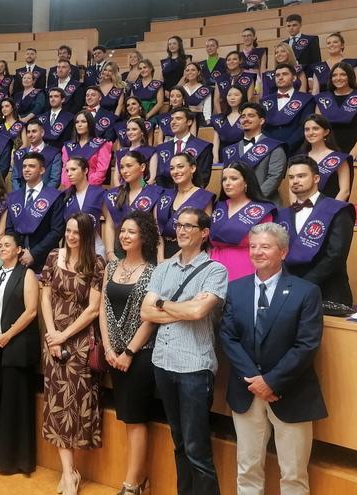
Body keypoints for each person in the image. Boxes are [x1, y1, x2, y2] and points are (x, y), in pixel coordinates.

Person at [220, 222, 327, 495]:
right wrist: (255, 381)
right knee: (247, 469)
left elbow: (306, 345)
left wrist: (271, 381)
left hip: (290, 392)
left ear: (283, 252)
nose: (257, 252)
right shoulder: (236, 289)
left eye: (265, 247)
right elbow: (228, 338)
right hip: (247, 392)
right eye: (253, 246)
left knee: (293, 474)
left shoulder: (306, 291)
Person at [141, 207, 228, 495]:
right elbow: (145, 312)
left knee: (196, 448)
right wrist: (182, 308)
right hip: (163, 362)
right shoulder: (163, 267)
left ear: (204, 233)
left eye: (189, 226)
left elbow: (198, 312)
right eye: (178, 225)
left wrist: (163, 305)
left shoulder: (215, 270)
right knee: (179, 442)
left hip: (194, 367)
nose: (180, 231)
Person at [40, 213, 105, 495]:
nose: (71, 236)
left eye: (77, 232)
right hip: (52, 339)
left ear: (88, 234)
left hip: (79, 343)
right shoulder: (54, 256)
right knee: (56, 406)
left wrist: (63, 337)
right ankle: (68, 474)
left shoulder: (97, 264)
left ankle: (73, 470)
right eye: (68, 230)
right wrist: (52, 336)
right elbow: (45, 296)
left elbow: (92, 309)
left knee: (75, 407)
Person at [99, 211, 160, 495]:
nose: (124, 236)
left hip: (139, 356)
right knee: (126, 417)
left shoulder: (153, 271)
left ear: (143, 237)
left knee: (136, 420)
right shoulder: (111, 268)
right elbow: (102, 308)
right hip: (113, 354)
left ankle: (132, 485)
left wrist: (128, 352)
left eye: (131, 232)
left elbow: (150, 318)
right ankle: (140, 480)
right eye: (122, 231)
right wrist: (110, 348)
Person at [0, 233, 39, 475]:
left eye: (7, 245)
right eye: (0, 245)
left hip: (15, 346)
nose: (2, 249)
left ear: (18, 250)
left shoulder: (27, 275)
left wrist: (7, 335)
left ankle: (15, 459)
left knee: (15, 402)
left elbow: (31, 311)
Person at [277, 155, 355, 308]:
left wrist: (303, 284)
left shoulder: (337, 209)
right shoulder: (282, 214)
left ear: (316, 178)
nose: (295, 181)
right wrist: (291, 283)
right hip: (289, 291)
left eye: (301, 176)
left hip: (329, 292)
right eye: (291, 177)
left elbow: (336, 255)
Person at [210, 162, 277, 281]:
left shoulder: (261, 210)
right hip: (215, 265)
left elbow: (266, 246)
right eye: (224, 179)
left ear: (246, 182)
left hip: (247, 267)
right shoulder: (217, 206)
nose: (227, 183)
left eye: (234, 178)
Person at [5, 152, 65, 273]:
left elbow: (57, 231)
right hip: (18, 257)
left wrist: (33, 254)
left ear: (42, 170)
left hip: (44, 258)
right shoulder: (14, 196)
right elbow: (9, 229)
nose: (26, 169)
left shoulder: (54, 196)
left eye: (31, 166)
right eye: (24, 166)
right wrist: (20, 251)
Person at [222, 102, 287, 206]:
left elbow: (274, 177)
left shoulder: (274, 146)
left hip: (265, 204)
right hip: (236, 205)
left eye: (251, 116)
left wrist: (252, 199)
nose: (246, 119)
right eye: (243, 116)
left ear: (261, 121)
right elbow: (226, 178)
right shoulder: (229, 150)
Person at [104, 151, 162, 260]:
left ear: (142, 167)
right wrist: (110, 253)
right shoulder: (114, 194)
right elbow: (110, 225)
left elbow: (157, 229)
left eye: (129, 166)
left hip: (146, 254)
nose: (124, 171)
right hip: (120, 251)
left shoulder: (155, 193)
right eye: (121, 167)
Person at [155, 154, 216, 258]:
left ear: (192, 168)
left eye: (180, 166)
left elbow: (203, 235)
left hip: (190, 253)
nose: (175, 171)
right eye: (172, 168)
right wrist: (160, 258)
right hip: (162, 251)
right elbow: (157, 229)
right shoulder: (165, 195)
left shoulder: (203, 197)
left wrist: (174, 259)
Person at [314, 62, 357, 158]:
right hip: (329, 149)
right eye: (334, 75)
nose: (338, 78)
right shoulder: (322, 98)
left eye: (343, 74)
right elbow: (318, 125)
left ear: (350, 76)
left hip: (356, 148)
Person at [149, 108, 213, 189]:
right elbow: (159, 177)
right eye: (172, 119)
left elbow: (203, 178)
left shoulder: (202, 146)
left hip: (191, 196)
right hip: (166, 195)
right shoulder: (162, 148)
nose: (173, 122)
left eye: (178, 119)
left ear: (189, 122)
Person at [263, 63, 315, 155]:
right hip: (268, 150)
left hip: (296, 150)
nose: (280, 77)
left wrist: (286, 147)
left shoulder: (306, 99)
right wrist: (270, 146)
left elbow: (304, 126)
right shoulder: (264, 101)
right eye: (277, 75)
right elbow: (262, 127)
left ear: (294, 78)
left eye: (285, 74)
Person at [63, 157, 107, 256]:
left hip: (93, 245)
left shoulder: (99, 193)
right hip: (71, 245)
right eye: (67, 170)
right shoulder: (65, 196)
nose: (69, 173)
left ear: (85, 170)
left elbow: (109, 220)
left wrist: (110, 251)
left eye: (73, 169)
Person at [304, 114, 352, 201]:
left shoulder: (338, 158)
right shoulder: (300, 158)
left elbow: (345, 191)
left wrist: (329, 212)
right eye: (307, 129)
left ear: (326, 132)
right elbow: (293, 190)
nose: (310, 133)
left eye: (315, 128)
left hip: (332, 210)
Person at [60, 111, 112, 187]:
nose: (79, 125)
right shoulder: (67, 147)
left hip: (92, 188)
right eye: (77, 122)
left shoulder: (102, 145)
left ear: (90, 124)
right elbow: (65, 170)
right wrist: (70, 186)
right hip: (71, 189)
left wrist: (84, 186)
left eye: (83, 122)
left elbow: (101, 171)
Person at [11, 120, 61, 191]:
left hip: (44, 197)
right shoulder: (20, 154)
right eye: (28, 132)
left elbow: (55, 180)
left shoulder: (54, 153)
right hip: (22, 196)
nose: (30, 135)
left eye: (34, 131)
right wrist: (20, 195)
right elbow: (15, 178)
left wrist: (41, 195)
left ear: (42, 132)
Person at [210, 85, 246, 163]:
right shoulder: (219, 119)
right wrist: (215, 158)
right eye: (229, 95)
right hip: (222, 154)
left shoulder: (246, 117)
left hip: (242, 153)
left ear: (243, 97)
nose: (232, 98)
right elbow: (216, 140)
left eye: (236, 95)